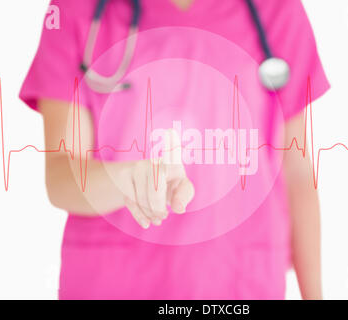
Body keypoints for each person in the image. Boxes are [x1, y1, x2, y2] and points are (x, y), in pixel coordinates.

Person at [20, 0, 330, 299]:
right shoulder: (77, 8)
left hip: (238, 280)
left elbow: (297, 173)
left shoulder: (276, 8)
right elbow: (61, 175)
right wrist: (126, 178)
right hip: (114, 281)